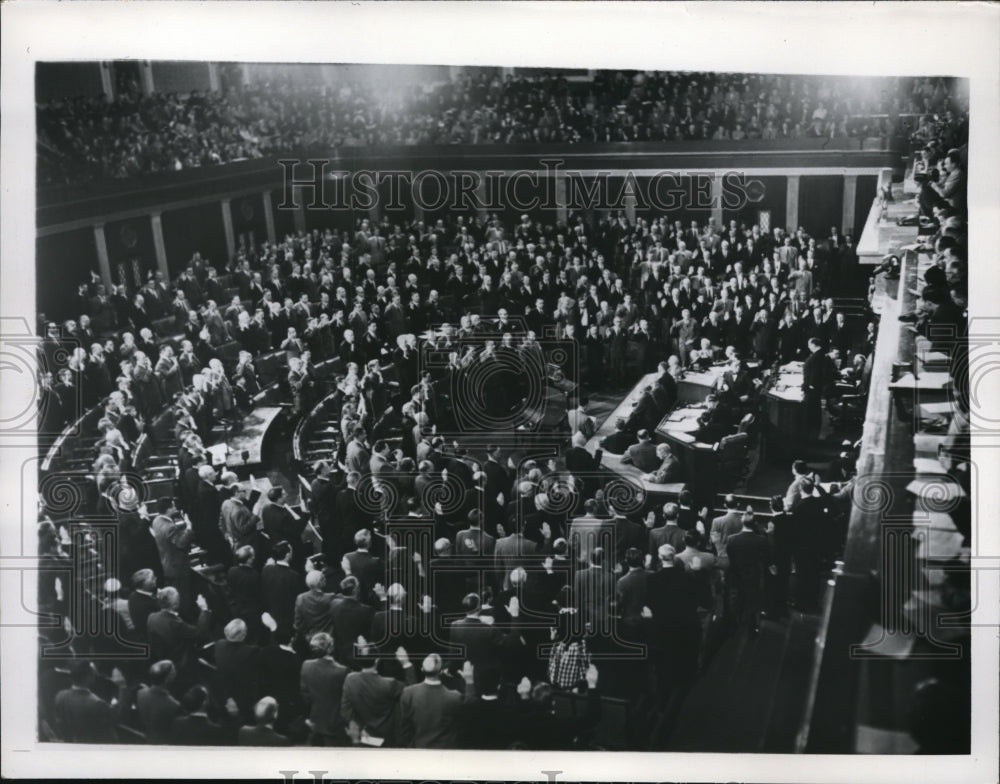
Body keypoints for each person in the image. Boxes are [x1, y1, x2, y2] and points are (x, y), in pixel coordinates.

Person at [399, 653, 473, 748]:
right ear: (441, 671)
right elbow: (471, 708)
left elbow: (404, 729)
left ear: (422, 669)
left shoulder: (408, 693)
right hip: (445, 753)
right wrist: (469, 681)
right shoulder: (455, 697)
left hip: (418, 750)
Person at [724, 511, 771, 637]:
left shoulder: (731, 539)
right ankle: (752, 629)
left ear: (742, 522)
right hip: (752, 575)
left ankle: (734, 627)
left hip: (735, 574)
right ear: (755, 523)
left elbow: (729, 556)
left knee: (736, 601)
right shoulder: (761, 540)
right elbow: (766, 557)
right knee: (752, 601)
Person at [300, 632, 350, 746]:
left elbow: (305, 696)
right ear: (331, 647)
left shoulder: (306, 665)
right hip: (336, 725)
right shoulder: (343, 671)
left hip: (315, 722)